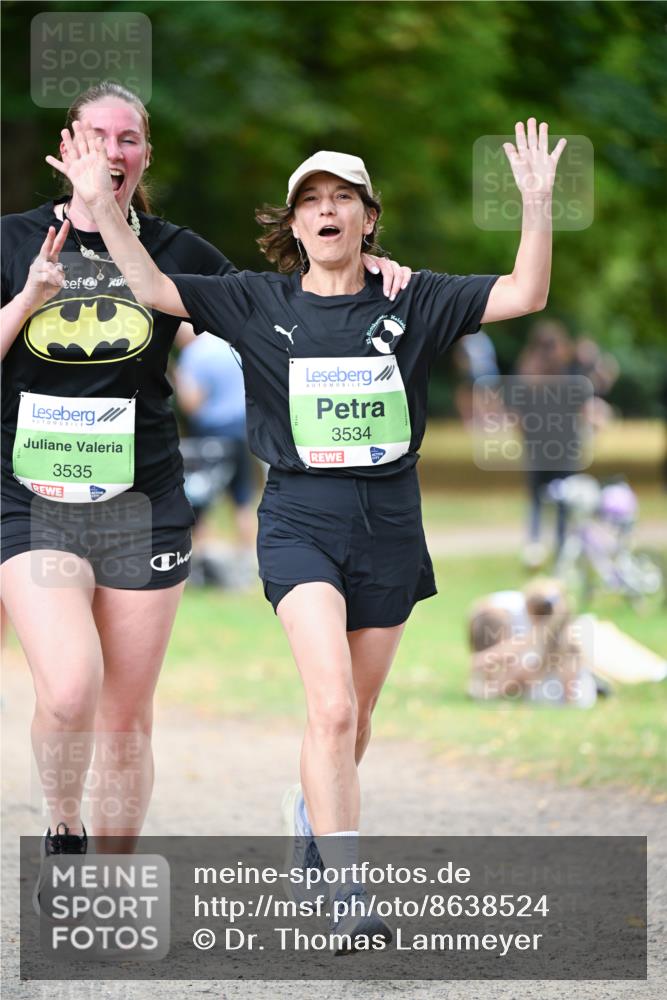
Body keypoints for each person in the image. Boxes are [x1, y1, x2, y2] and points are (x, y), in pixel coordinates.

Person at [51, 117, 566, 949]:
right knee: (329, 707)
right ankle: (344, 892)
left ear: (368, 217)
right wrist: (101, 203)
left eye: (343, 199)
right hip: (298, 519)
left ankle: (309, 818)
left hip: (390, 524)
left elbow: (523, 294)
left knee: (354, 718)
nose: (327, 211)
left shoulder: (413, 298)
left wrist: (535, 204)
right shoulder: (257, 302)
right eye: (311, 201)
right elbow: (149, 284)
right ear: (293, 224)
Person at [0, 82, 407, 871]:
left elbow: (277, 307)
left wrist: (359, 265)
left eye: (128, 138)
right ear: (67, 148)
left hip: (143, 501)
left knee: (126, 718)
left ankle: (110, 878)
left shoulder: (177, 252)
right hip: (30, 497)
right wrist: (25, 301)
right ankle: (63, 824)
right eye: (97, 136)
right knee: (70, 687)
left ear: (145, 155)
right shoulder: (14, 241)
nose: (112, 152)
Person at [174, 328, 258, 587]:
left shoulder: (193, 355)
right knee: (242, 500)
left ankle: (203, 568)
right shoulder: (229, 346)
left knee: (201, 501)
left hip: (212, 437)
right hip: (243, 430)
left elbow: (192, 404)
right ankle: (249, 568)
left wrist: (177, 379)